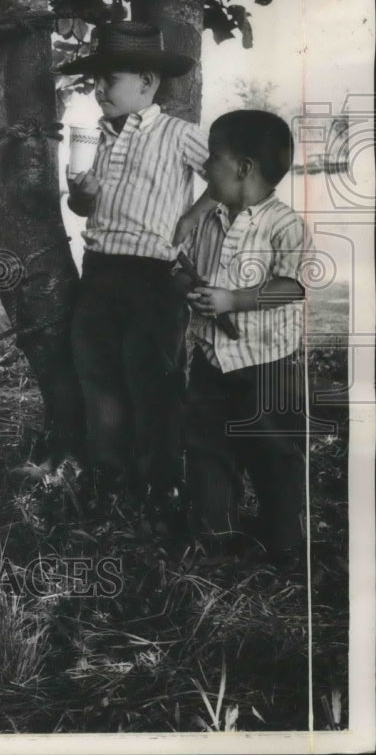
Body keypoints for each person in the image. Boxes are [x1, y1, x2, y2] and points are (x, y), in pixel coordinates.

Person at [61, 21, 215, 520]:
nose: (100, 89)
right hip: (101, 270)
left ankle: (162, 483)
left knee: (154, 378)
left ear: (147, 82)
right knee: (99, 375)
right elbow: (87, 208)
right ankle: (108, 477)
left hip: (155, 276)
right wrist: (81, 195)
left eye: (111, 79)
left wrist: (195, 213)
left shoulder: (179, 134)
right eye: (96, 81)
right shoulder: (98, 138)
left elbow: (230, 175)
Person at [175, 110, 311, 563]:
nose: (205, 166)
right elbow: (183, 269)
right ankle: (218, 534)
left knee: (273, 453)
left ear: (243, 167)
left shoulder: (284, 224)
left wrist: (233, 299)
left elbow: (293, 285)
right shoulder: (209, 219)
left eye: (213, 157)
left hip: (265, 364)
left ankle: (283, 542)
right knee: (207, 450)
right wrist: (191, 290)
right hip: (212, 361)